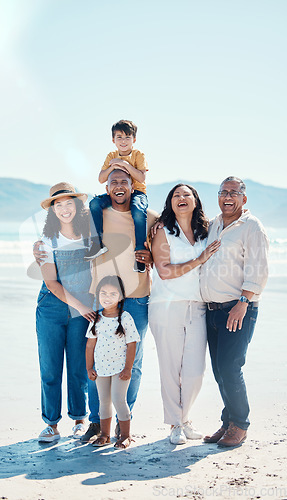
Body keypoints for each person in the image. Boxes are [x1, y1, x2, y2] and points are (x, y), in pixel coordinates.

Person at [81, 168, 157, 443]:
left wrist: (151, 256)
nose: (119, 186)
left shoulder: (148, 218)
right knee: (97, 360)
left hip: (136, 296)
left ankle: (123, 422)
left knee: (132, 363)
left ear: (133, 186)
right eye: (113, 182)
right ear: (107, 188)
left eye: (124, 181)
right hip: (102, 300)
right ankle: (95, 423)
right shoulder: (95, 215)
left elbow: (167, 246)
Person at [149, 184, 221, 445]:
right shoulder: (163, 231)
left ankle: (186, 417)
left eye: (186, 195)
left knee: (195, 370)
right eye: (176, 195)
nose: (181, 198)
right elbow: (164, 271)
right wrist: (199, 260)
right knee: (170, 368)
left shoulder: (205, 231)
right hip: (166, 306)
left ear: (195, 201)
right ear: (170, 202)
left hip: (197, 305)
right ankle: (175, 424)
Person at [201, 176, 269, 448]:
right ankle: (228, 420)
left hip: (238, 308)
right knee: (220, 371)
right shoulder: (215, 224)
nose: (228, 196)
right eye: (223, 192)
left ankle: (240, 424)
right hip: (212, 310)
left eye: (234, 192)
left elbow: (259, 269)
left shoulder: (252, 226)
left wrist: (243, 301)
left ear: (244, 198)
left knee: (231, 367)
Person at [36, 182, 96, 442]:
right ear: (52, 210)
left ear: (77, 206)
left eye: (69, 203)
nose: (64, 208)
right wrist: (82, 306)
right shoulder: (46, 241)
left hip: (81, 311)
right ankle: (51, 424)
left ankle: (79, 419)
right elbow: (51, 283)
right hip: (52, 307)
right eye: (58, 204)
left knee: (78, 367)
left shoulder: (90, 237)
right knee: (50, 368)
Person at [86, 119, 148, 272]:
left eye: (127, 137)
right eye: (119, 137)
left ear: (134, 139)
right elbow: (101, 179)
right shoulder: (111, 155)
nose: (123, 141)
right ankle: (97, 244)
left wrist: (125, 165)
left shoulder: (138, 155)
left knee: (138, 213)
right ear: (113, 140)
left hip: (137, 193)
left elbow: (141, 178)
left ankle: (139, 253)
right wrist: (112, 166)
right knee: (94, 204)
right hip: (115, 193)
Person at [86, 275, 140, 449]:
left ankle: (125, 435)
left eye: (112, 293)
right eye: (103, 293)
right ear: (97, 294)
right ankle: (105, 435)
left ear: (121, 297)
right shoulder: (97, 318)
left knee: (119, 400)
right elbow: (90, 345)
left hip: (120, 368)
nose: (107, 297)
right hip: (101, 367)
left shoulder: (125, 318)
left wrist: (128, 368)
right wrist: (89, 368)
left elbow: (132, 345)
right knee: (103, 401)